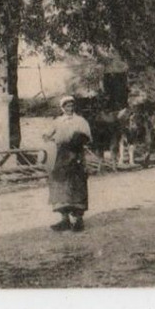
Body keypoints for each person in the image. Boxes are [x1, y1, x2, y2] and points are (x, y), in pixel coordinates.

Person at [43, 94, 92, 231]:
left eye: (71, 105)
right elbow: (46, 135)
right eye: (67, 106)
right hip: (61, 156)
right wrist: (50, 140)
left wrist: (80, 141)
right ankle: (64, 220)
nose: (69, 108)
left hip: (76, 155)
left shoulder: (81, 121)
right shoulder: (57, 121)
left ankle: (78, 220)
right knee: (61, 186)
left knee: (77, 185)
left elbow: (88, 138)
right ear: (62, 107)